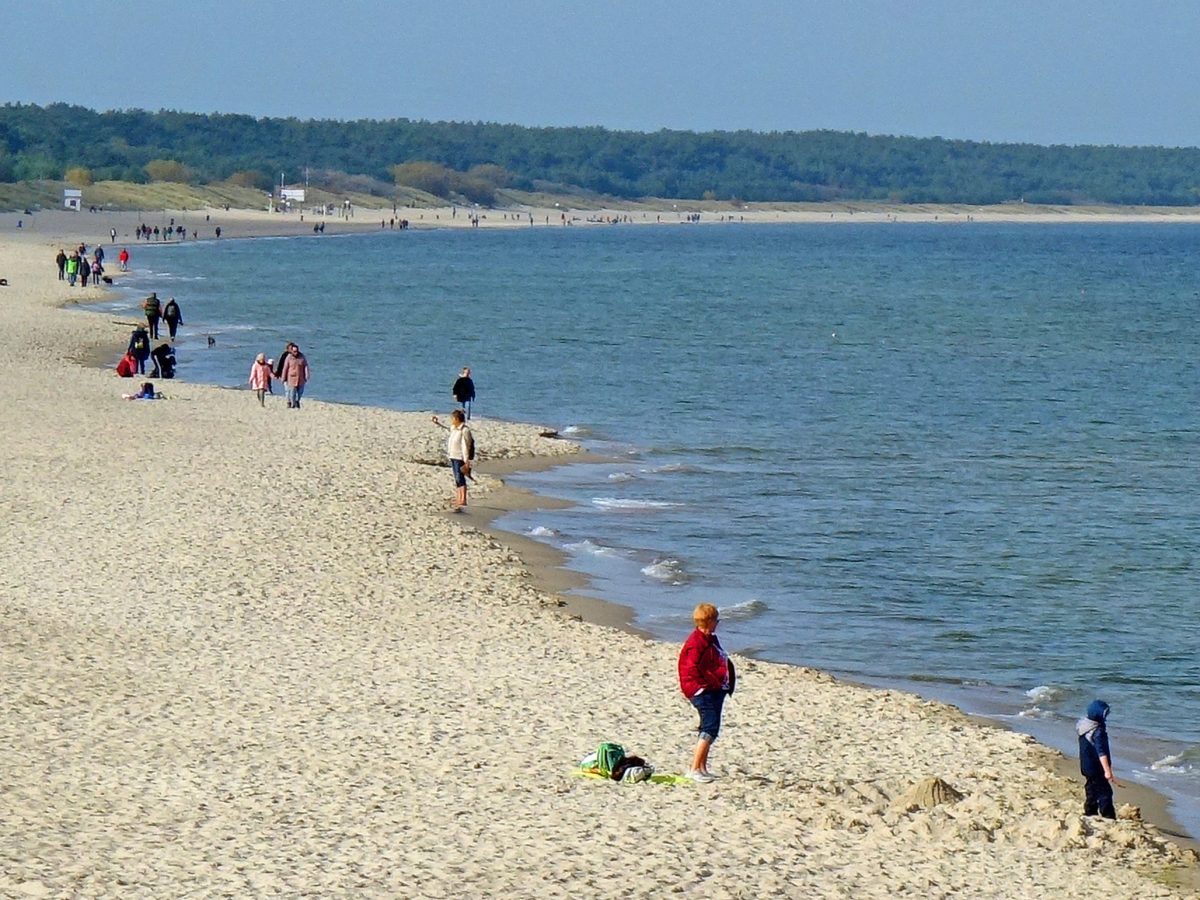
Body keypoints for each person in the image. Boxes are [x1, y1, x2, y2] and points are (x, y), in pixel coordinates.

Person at [677, 603, 736, 783]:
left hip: (715, 689)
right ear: (709, 621)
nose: (717, 623)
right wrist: (707, 684)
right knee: (709, 727)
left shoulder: (709, 638)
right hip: (702, 691)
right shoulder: (696, 642)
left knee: (712, 727)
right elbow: (691, 668)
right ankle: (694, 768)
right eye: (716, 620)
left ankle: (702, 768)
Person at [1077, 699, 1118, 819]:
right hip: (1096, 767)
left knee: (1091, 788)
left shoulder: (1083, 725)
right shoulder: (1097, 731)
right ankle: (1108, 816)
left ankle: (1090, 811)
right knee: (1105, 792)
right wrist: (1107, 771)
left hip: (1085, 765)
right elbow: (1101, 752)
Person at [432, 410, 475, 508]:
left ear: (456, 419)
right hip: (453, 455)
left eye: (452, 418)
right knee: (456, 478)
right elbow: (448, 428)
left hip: (460, 457)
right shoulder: (454, 428)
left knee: (460, 477)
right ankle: (458, 497)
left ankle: (463, 499)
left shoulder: (464, 430)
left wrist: (467, 460)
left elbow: (467, 445)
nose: (451, 420)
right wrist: (437, 423)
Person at [280, 343, 310, 409]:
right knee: (292, 392)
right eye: (294, 351)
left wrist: (307, 374)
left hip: (301, 378)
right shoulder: (289, 357)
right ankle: (292, 404)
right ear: (292, 351)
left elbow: (305, 366)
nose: (296, 353)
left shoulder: (302, 356)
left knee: (300, 392)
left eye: (297, 351)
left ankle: (297, 401)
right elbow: (285, 368)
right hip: (291, 377)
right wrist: (283, 377)